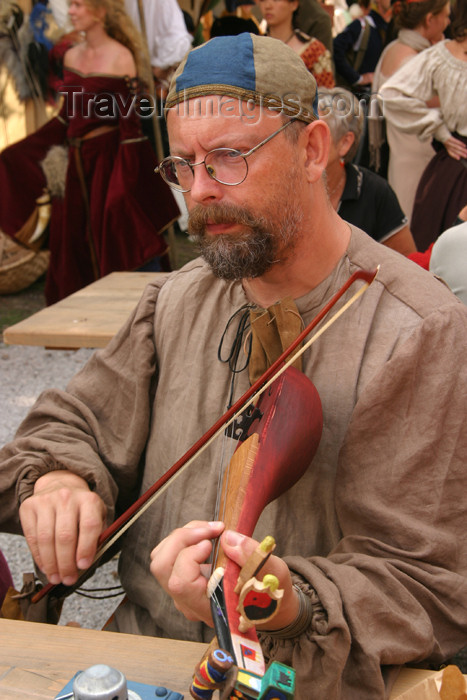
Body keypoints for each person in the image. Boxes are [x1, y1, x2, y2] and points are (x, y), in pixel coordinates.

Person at [1, 32, 467, 700]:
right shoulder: (174, 300)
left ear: (310, 149)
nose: (199, 193)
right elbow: (71, 426)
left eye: (227, 158)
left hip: (301, 684)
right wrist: (57, 483)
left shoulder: (417, 331)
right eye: (182, 166)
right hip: (142, 662)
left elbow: (425, 585)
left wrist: (278, 602)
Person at [0, 0, 179, 304]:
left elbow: (131, 129)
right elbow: (66, 117)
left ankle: (140, 308)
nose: (70, 11)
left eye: (78, 5)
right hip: (76, 167)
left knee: (122, 230)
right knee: (77, 243)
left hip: (112, 161)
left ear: (101, 10)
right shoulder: (70, 55)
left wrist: (123, 185)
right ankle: (83, 316)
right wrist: (18, 154)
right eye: (70, 5)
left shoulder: (122, 57)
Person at [380, 3, 467, 251]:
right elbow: (391, 94)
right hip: (457, 169)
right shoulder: (443, 57)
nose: (448, 21)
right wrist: (438, 128)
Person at [371, 0, 451, 224]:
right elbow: (448, 105)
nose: (448, 23)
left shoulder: (393, 49)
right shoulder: (418, 63)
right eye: (445, 16)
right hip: (422, 160)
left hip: (401, 159)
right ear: (429, 19)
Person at [319, 86, 416, 256]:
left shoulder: (374, 192)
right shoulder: (286, 184)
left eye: (318, 133)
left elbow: (410, 262)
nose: (303, 140)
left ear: (345, 143)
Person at [258, 0, 335, 87]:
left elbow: (325, 97)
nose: (268, 6)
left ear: (294, 4)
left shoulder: (314, 51)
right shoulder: (253, 47)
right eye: (262, 0)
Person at [333, 0, 389, 88]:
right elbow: (335, 48)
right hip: (360, 96)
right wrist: (357, 78)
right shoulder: (361, 25)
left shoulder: (389, 28)